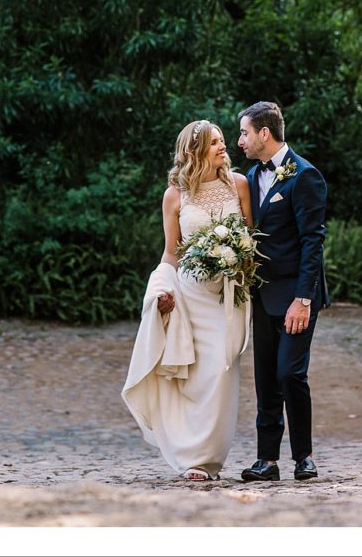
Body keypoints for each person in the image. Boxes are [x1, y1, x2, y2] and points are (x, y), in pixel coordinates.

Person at [122, 119, 252, 481]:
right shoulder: (175, 196)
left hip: (227, 296)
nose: (223, 147)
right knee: (192, 378)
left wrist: (240, 260)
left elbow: (253, 241)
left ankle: (211, 457)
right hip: (189, 295)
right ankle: (194, 459)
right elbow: (170, 254)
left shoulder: (239, 185)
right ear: (195, 151)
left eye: (223, 140)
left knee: (220, 374)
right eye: (214, 143)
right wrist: (161, 290)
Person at [237, 100, 329, 482]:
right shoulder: (248, 177)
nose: (239, 140)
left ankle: (303, 456)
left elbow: (313, 242)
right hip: (261, 294)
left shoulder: (305, 176)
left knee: (291, 373)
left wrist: (303, 299)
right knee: (265, 377)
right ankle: (267, 460)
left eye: (244, 132)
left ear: (264, 133)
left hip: (296, 296)